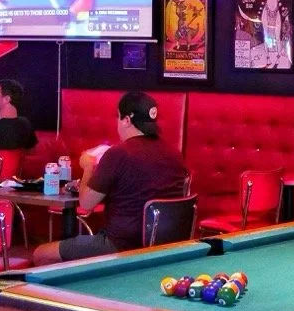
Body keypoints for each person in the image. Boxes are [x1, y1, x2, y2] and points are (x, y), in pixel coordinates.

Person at [32, 91, 189, 265]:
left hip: (121, 246)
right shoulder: (175, 154)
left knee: (41, 254)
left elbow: (86, 203)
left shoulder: (119, 153)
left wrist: (88, 167)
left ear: (126, 120)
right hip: (166, 245)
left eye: (118, 117)